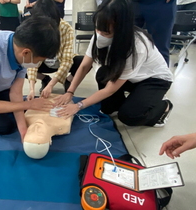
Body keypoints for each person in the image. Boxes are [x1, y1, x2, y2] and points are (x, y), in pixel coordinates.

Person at [56, 0, 173, 128]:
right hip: (130, 77)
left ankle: (164, 107)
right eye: (97, 29)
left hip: (153, 80)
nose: (100, 35)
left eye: (106, 33)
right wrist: (70, 92)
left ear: (122, 29)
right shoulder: (100, 34)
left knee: (129, 116)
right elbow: (84, 66)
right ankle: (119, 104)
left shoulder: (137, 45)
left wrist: (78, 106)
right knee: (103, 75)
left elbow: (110, 89)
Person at [27, 0, 84, 100]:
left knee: (84, 62)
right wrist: (31, 89)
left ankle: (68, 80)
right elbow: (31, 60)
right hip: (43, 63)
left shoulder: (66, 28)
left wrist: (51, 86)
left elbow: (66, 60)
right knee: (22, 63)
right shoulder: (35, 28)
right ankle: (45, 79)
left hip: (60, 62)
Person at [23, 94, 73, 159]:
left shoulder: (25, 119)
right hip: (63, 97)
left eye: (31, 132)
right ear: (50, 140)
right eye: (40, 133)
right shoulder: (63, 125)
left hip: (45, 95)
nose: (36, 127)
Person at [132, 0, 177, 66]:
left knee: (160, 48)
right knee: (124, 44)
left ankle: (161, 76)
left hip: (161, 4)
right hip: (132, 3)